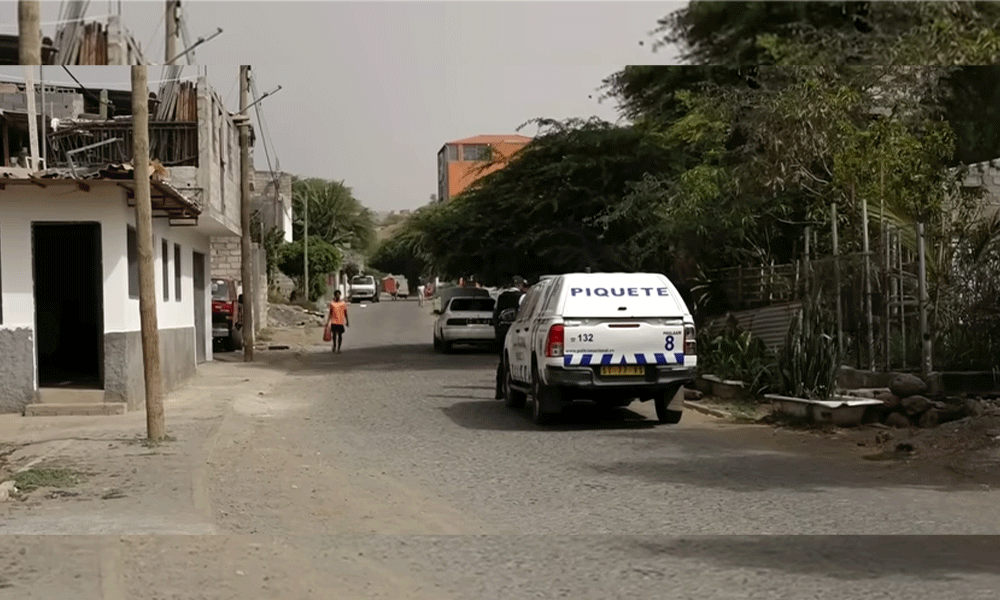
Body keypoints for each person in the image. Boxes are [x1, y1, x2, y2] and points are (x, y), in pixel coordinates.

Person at [494, 276, 529, 399]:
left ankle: (499, 390)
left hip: (501, 330)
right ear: (519, 285)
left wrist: (497, 331)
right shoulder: (521, 297)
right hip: (513, 330)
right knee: (513, 360)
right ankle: (510, 387)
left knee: (502, 361)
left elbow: (495, 314)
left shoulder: (501, 296)